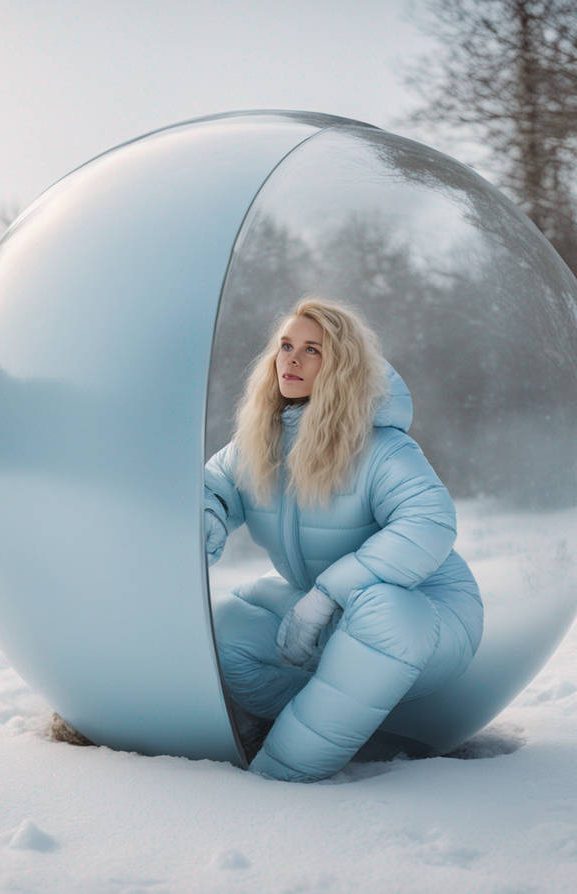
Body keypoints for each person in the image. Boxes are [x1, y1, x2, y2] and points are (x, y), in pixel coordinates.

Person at [205, 297, 483, 782]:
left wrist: (328, 594)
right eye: (286, 346)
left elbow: (429, 522)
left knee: (383, 615)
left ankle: (279, 778)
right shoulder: (259, 439)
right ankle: (345, 720)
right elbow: (212, 490)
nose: (291, 360)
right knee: (226, 627)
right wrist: (204, 525)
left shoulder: (380, 445)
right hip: (320, 606)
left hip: (425, 612)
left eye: (312, 350)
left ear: (340, 365)